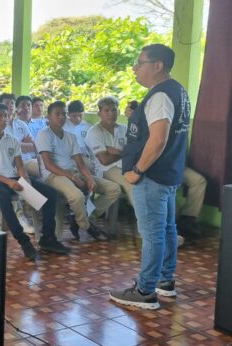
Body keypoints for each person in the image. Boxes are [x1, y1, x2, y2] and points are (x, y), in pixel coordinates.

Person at [109, 44, 191, 310]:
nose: (135, 67)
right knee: (167, 229)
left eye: (140, 62)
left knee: (152, 233)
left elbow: (158, 139)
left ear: (158, 66)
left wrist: (137, 171)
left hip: (152, 176)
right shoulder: (178, 90)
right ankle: (164, 281)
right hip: (169, 172)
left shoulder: (160, 95)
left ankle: (145, 290)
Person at [0, 104, 71, 261]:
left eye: (6, 115)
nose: (4, 119)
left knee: (50, 194)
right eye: (0, 115)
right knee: (4, 197)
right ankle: (24, 241)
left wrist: (25, 180)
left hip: (13, 178)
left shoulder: (12, 140)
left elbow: (19, 165)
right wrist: (9, 182)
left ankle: (48, 239)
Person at [37, 101, 120, 241]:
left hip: (73, 171)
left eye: (63, 114)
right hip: (53, 175)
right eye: (57, 114)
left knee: (114, 189)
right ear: (48, 117)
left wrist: (89, 178)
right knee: (77, 196)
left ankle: (80, 217)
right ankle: (88, 227)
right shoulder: (44, 135)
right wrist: (72, 177)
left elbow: (80, 163)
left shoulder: (71, 136)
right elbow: (48, 165)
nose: (62, 117)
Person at [125, 99, 205, 239]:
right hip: (154, 166)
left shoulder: (172, 122)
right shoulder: (138, 126)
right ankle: (170, 232)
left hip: (174, 163)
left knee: (198, 181)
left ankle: (188, 219)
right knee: (171, 207)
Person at [85, 96, 132, 205]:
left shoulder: (125, 129)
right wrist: (125, 153)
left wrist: (117, 152)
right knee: (131, 184)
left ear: (119, 112)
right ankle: (145, 219)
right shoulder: (95, 132)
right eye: (106, 110)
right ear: (99, 113)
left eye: (114, 110)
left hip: (126, 165)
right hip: (105, 169)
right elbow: (104, 160)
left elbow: (135, 152)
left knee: (147, 181)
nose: (111, 114)